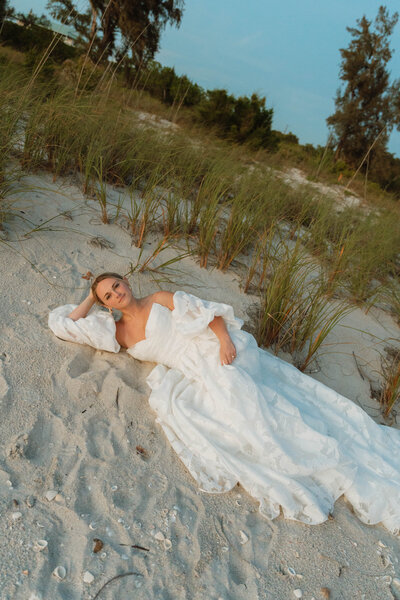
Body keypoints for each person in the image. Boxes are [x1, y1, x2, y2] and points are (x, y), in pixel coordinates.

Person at [48, 272, 400, 534]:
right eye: (108, 296)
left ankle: (316, 451)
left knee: (242, 398)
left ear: (127, 281)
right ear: (106, 304)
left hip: (211, 350)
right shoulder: (118, 333)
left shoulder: (158, 298)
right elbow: (64, 323)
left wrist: (223, 341)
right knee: (224, 415)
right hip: (188, 371)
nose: (116, 294)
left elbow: (205, 313)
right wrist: (91, 296)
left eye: (116, 286)